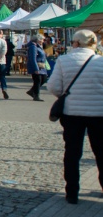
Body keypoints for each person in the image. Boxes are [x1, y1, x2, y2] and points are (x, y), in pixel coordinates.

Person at [46, 30, 103, 205]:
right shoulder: (101, 61)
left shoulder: (64, 61)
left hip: (72, 113)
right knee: (101, 152)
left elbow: (54, 87)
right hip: (99, 113)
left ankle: (72, 192)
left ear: (76, 43)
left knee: (72, 153)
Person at [25, 35, 48, 102]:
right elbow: (32, 58)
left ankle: (32, 91)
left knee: (44, 79)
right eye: (42, 39)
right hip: (37, 66)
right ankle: (36, 95)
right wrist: (36, 69)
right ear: (38, 40)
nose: (43, 41)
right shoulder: (33, 47)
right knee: (37, 80)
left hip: (41, 66)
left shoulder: (38, 46)